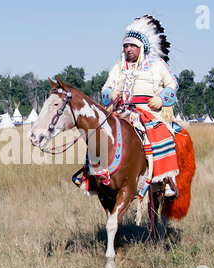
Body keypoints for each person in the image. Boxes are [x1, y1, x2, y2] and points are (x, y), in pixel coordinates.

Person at [74, 15, 179, 199]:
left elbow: (172, 84)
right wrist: (112, 94)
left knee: (161, 133)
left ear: (142, 47)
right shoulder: (119, 66)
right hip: (121, 111)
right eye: (125, 46)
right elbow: (105, 88)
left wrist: (161, 99)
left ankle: (167, 180)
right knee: (97, 135)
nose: (128, 49)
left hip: (148, 111)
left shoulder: (156, 64)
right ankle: (90, 176)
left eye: (132, 45)